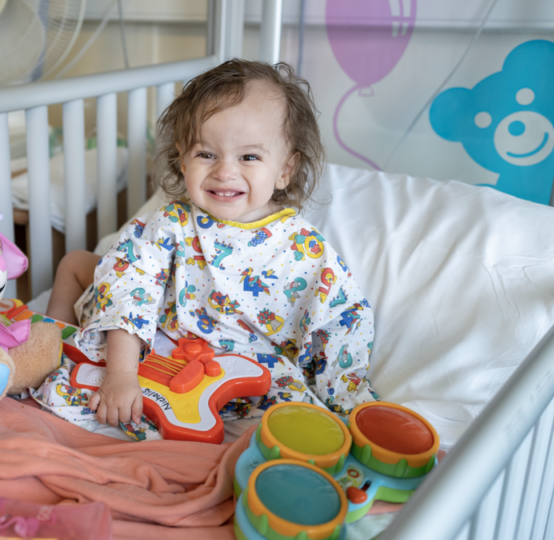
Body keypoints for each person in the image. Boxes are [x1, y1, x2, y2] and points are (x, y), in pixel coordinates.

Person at [35, 59, 376, 440]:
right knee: (79, 276)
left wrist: (349, 405)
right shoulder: (170, 224)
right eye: (206, 154)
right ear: (182, 158)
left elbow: (339, 320)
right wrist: (120, 375)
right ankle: (48, 351)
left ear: (285, 169)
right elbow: (130, 289)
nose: (225, 171)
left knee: (294, 429)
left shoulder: (305, 248)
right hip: (157, 347)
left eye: (249, 157)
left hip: (247, 375)